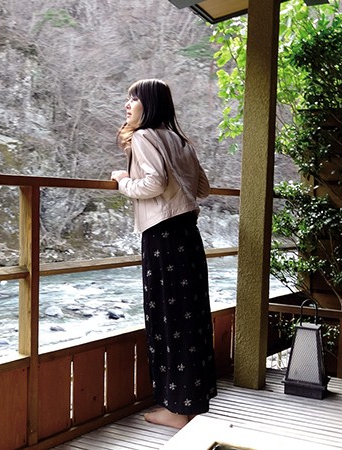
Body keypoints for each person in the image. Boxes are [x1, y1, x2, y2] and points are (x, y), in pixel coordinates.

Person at [110, 79, 217, 429]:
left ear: (150, 104)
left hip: (162, 237)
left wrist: (122, 181)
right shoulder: (180, 140)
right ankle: (191, 401)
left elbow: (153, 183)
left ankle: (175, 410)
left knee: (168, 320)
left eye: (134, 98)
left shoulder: (144, 137)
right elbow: (203, 188)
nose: (128, 104)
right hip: (188, 235)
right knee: (190, 317)